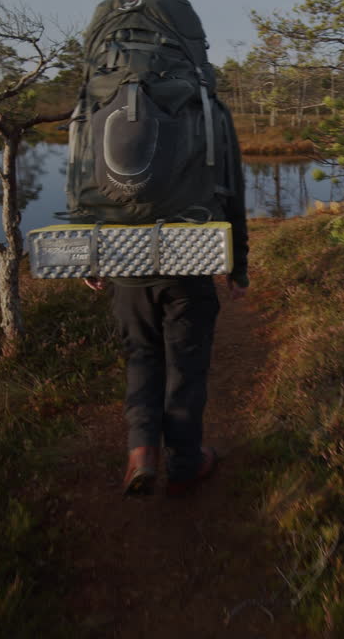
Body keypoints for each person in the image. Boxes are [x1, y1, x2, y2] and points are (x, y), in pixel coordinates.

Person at [85, 119, 250, 498]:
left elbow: (82, 179)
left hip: (125, 261)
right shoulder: (207, 107)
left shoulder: (103, 101)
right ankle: (184, 463)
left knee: (142, 356)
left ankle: (142, 452)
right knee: (185, 366)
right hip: (189, 262)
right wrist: (236, 265)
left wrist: (89, 256)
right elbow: (232, 192)